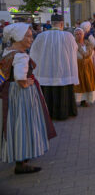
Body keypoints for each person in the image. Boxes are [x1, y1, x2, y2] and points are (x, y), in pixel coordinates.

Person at [0, 23, 56, 174]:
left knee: (12, 123)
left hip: (9, 93)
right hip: (20, 95)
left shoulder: (7, 52)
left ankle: (18, 156)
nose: (31, 39)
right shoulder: (20, 56)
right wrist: (26, 83)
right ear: (18, 37)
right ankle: (22, 160)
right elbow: (20, 77)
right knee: (23, 124)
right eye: (28, 36)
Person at [30, 13, 79, 120]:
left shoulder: (41, 36)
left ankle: (47, 113)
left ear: (51, 24)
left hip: (46, 70)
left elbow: (34, 52)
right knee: (63, 91)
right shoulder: (68, 36)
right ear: (61, 24)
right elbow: (74, 50)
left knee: (47, 91)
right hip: (64, 70)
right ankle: (64, 112)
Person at [73, 28, 95, 107]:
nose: (79, 35)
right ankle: (79, 100)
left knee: (88, 82)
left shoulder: (88, 44)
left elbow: (92, 54)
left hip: (88, 66)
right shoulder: (73, 45)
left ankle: (85, 100)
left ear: (83, 34)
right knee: (79, 84)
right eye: (77, 34)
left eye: (80, 34)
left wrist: (88, 59)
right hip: (78, 66)